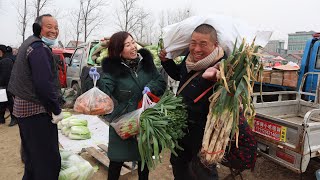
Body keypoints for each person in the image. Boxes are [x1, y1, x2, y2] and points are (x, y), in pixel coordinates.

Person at [159, 24, 225, 180]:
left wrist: (219, 79)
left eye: (203, 44)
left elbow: (230, 99)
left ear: (215, 45)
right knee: (178, 164)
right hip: (182, 127)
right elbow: (179, 76)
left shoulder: (223, 66)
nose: (196, 49)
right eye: (193, 43)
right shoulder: (190, 60)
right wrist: (166, 62)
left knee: (203, 171)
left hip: (203, 132)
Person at [98, 31, 167, 180]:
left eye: (133, 42)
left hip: (145, 119)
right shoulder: (113, 69)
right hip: (123, 120)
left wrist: (151, 87)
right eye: (127, 45)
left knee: (144, 160)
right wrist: (98, 79)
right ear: (119, 50)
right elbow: (105, 90)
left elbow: (161, 82)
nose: (133, 47)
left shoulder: (147, 63)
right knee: (116, 160)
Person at [8, 14, 63, 180]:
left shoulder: (29, 43)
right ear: (38, 28)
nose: (54, 30)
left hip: (24, 111)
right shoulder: (39, 48)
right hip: (36, 112)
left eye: (56, 27)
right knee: (47, 162)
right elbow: (43, 85)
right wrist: (56, 109)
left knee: (32, 159)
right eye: (49, 26)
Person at [0, 44, 17, 126]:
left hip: (7, 85)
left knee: (10, 103)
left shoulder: (6, 60)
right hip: (4, 86)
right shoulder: (3, 59)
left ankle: (14, 118)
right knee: (2, 102)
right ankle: (1, 118)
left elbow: (5, 76)